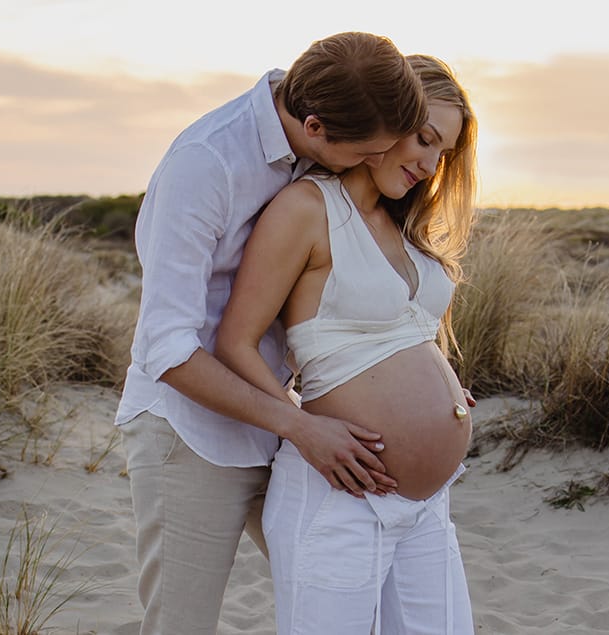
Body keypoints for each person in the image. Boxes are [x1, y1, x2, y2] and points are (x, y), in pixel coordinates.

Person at [114, 32, 429, 635]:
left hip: (286, 434)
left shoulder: (338, 107)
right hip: (192, 436)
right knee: (181, 625)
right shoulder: (205, 163)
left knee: (341, 606)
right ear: (315, 128)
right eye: (366, 152)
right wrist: (297, 424)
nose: (371, 162)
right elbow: (166, 346)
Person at [216, 54, 479, 634]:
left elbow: (390, 336)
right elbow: (235, 342)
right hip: (340, 497)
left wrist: (441, 392)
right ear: (386, 120)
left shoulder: (400, 225)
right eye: (424, 139)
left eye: (445, 154)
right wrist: (300, 426)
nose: (431, 164)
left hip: (426, 504)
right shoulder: (307, 208)